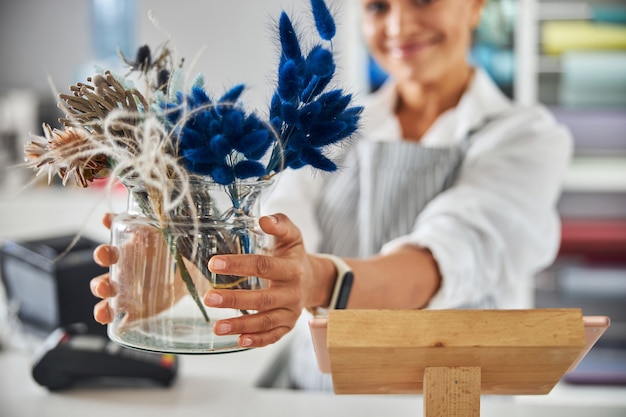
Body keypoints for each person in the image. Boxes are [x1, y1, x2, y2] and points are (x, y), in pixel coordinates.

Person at [91, 0, 573, 391]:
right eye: (378, 7)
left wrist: (319, 281)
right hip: (320, 394)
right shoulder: (327, 131)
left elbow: (449, 255)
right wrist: (183, 268)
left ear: (476, 6)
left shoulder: (523, 136)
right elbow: (270, 242)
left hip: (454, 397)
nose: (400, 24)